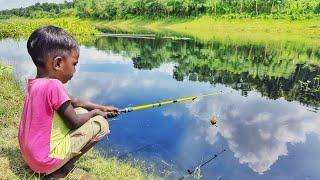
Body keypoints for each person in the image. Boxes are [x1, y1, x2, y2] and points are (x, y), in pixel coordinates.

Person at [18, 25, 120, 179]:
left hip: (30, 156)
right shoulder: (54, 85)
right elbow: (74, 122)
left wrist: (102, 107)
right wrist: (98, 113)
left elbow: (75, 101)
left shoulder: (37, 84)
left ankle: (53, 164)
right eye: (74, 64)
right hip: (43, 162)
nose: (75, 70)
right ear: (58, 63)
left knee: (81, 110)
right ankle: (61, 170)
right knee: (101, 124)